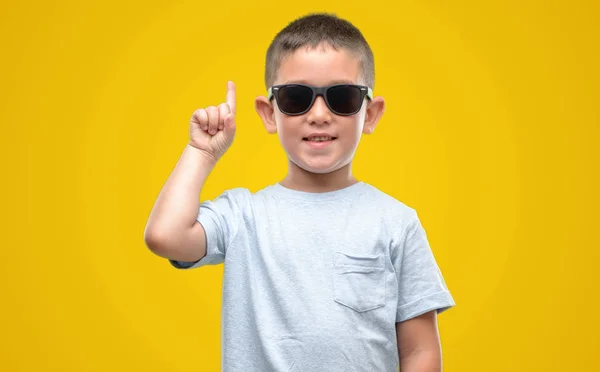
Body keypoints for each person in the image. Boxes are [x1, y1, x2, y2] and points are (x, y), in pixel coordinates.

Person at [144, 12, 455, 372]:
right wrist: (202, 152)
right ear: (268, 113)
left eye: (342, 97)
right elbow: (165, 236)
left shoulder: (396, 222)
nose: (319, 114)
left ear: (370, 114)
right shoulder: (243, 215)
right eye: (296, 97)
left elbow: (419, 351)